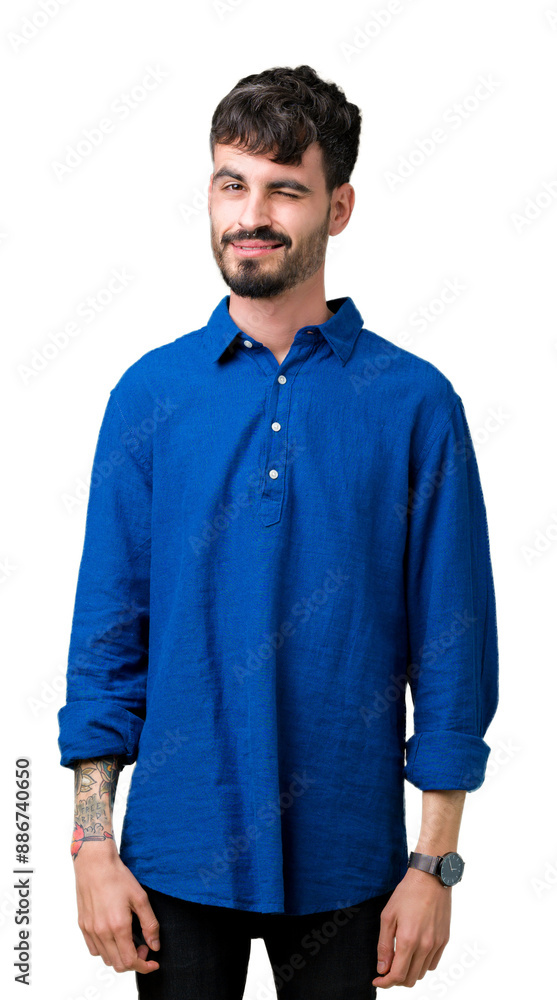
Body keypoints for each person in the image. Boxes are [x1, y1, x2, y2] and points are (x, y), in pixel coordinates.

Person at [58, 64, 499, 999]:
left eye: (282, 190)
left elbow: (454, 652)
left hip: (351, 868)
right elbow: (106, 640)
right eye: (231, 184)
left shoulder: (415, 404)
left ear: (336, 208)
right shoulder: (150, 395)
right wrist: (92, 848)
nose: (250, 214)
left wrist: (435, 868)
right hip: (173, 861)